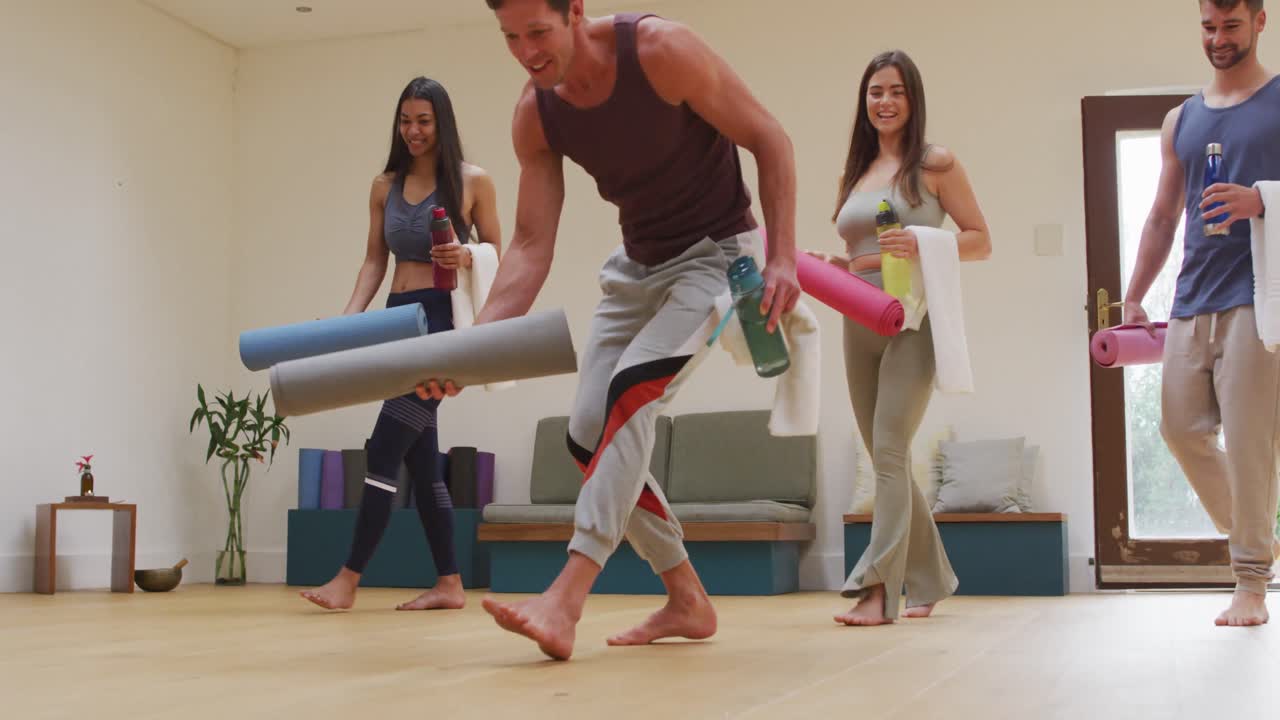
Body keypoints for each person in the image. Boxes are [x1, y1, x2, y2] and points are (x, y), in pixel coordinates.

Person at [419, 0, 800, 660]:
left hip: (718, 255)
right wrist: (470, 348)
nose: (527, 52)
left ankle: (567, 595)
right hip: (637, 268)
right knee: (588, 433)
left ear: (575, 12)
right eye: (510, 38)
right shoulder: (536, 113)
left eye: (538, 32)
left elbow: (769, 138)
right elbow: (532, 244)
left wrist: (783, 258)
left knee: (630, 395)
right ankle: (686, 596)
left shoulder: (661, 52)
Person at [300, 76, 502, 611]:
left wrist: (468, 255)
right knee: (421, 457)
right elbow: (374, 261)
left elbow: (500, 254)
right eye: (405, 120)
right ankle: (450, 584)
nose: (413, 131)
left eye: (424, 121)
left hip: (439, 324)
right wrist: (346, 324)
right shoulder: (382, 186)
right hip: (395, 320)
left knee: (385, 447)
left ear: (442, 124)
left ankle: (347, 579)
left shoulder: (472, 182)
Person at [810, 50, 991, 626]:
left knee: (889, 449)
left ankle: (877, 589)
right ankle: (932, 577)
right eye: (874, 93)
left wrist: (922, 242)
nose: (884, 102)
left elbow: (981, 239)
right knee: (885, 455)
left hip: (914, 318)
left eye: (895, 92)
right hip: (857, 314)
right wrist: (834, 266)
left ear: (912, 99)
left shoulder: (936, 164)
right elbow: (864, 252)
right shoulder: (857, 171)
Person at [1124, 0, 1278, 627]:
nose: (1218, 39)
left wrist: (1262, 202)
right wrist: (1134, 295)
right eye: (1209, 27)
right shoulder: (1180, 119)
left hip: (1256, 296)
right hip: (1191, 299)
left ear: (1260, 21)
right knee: (1181, 430)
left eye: (1231, 26)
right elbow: (1163, 216)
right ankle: (1261, 538)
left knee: (1247, 443)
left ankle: (1250, 581)